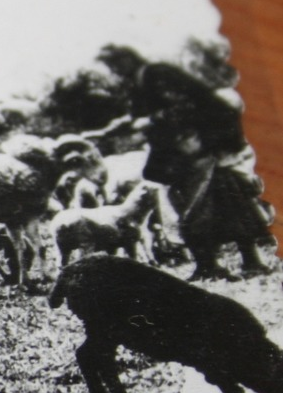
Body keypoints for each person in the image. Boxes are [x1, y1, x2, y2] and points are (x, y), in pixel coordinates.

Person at [98, 44, 276, 279]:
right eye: (111, 68)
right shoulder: (141, 80)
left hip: (193, 146)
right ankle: (212, 264)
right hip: (179, 149)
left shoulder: (156, 75)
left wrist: (150, 121)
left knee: (204, 205)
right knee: (211, 202)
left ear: (127, 60)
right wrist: (119, 126)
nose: (115, 72)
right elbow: (146, 114)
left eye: (115, 65)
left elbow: (185, 105)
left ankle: (235, 263)